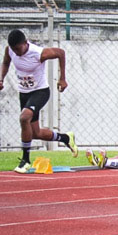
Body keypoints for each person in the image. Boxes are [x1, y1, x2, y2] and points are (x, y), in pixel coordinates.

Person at [1, 29, 77, 172]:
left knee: (24, 118)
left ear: (25, 43)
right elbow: (5, 62)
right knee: (35, 133)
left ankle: (25, 160)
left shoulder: (38, 53)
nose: (16, 52)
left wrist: (62, 78)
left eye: (18, 48)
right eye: (13, 49)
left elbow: (60, 53)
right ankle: (66, 138)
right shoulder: (10, 50)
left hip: (40, 92)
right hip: (24, 93)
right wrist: (1, 78)